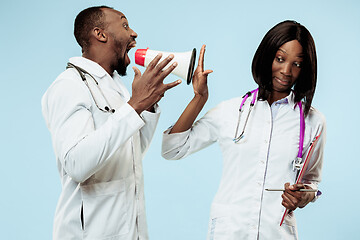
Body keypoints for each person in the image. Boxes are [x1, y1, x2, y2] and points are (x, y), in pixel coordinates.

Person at [162, 21, 326, 239]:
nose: (286, 71)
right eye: (280, 59)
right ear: (267, 56)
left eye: (297, 64)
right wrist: (199, 98)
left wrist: (303, 196)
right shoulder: (231, 111)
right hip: (230, 231)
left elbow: (311, 183)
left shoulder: (313, 121)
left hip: (276, 232)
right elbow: (172, 149)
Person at [42, 6, 182, 240]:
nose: (134, 34)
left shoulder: (115, 87)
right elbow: (77, 164)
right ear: (100, 34)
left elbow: (130, 155)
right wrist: (134, 105)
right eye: (125, 25)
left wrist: (146, 106)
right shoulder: (69, 85)